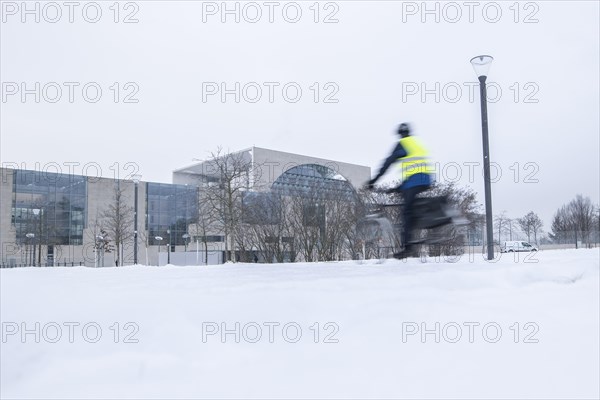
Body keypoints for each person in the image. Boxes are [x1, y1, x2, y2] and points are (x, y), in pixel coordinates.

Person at [366, 123, 433, 259]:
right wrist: (397, 188)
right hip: (424, 179)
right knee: (409, 200)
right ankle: (420, 223)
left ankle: (407, 247)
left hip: (414, 180)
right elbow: (417, 166)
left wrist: (374, 180)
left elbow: (387, 163)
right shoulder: (416, 143)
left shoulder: (402, 143)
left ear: (400, 134)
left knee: (406, 212)